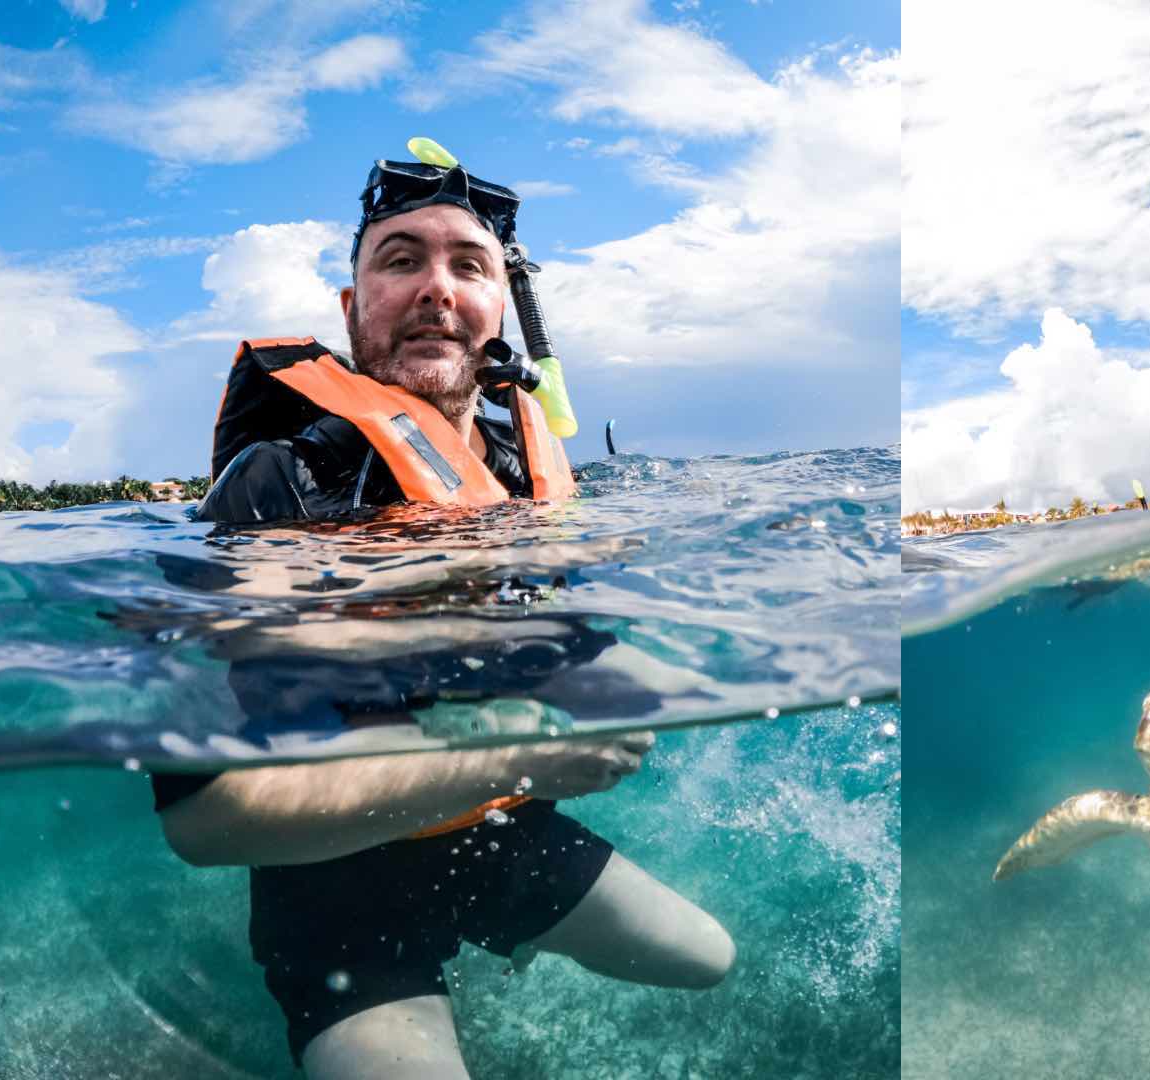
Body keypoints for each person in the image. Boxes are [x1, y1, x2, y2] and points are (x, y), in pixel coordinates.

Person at [152, 153, 733, 1079]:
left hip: (495, 835)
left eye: (468, 264)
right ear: (351, 309)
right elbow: (202, 822)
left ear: (500, 308)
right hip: (330, 876)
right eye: (398, 261)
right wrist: (510, 758)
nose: (435, 288)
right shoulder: (281, 485)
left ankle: (493, 926)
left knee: (708, 958)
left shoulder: (525, 482)